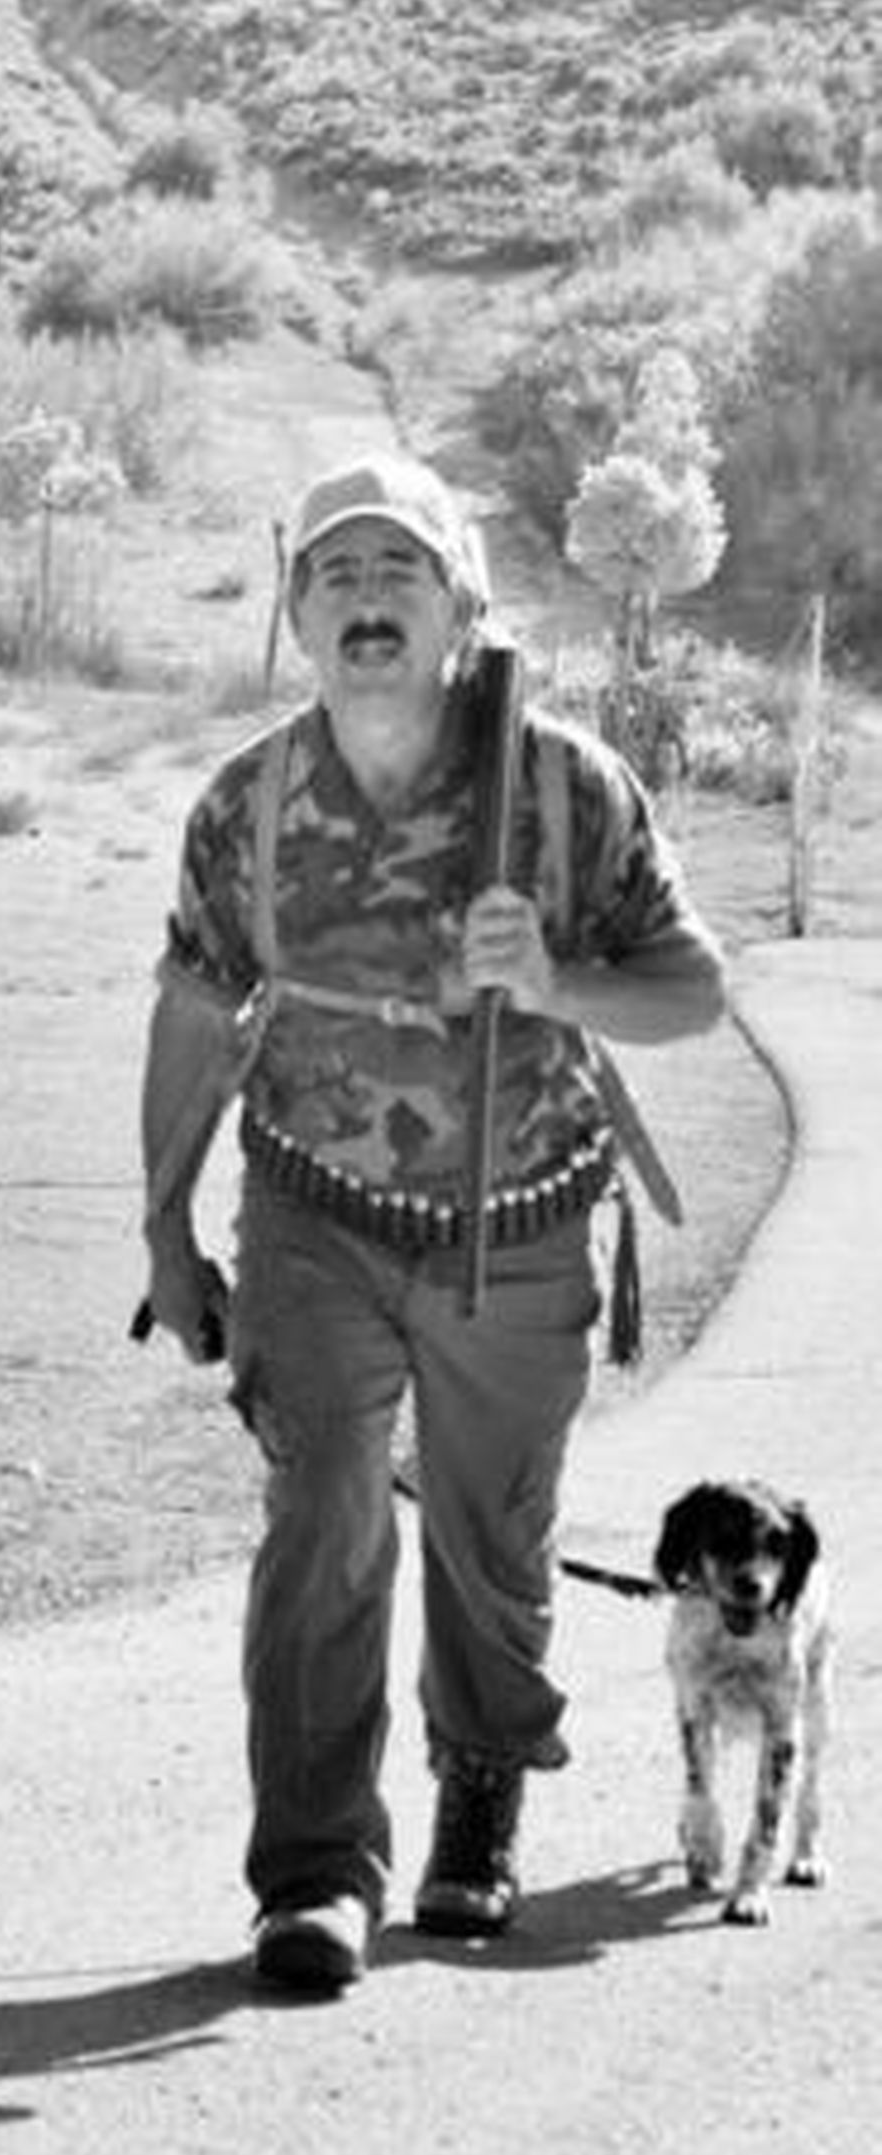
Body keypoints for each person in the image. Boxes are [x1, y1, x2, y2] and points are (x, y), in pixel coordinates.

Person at [137, 451, 726, 1994]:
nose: (365, 599)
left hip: (519, 1222)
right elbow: (197, 1015)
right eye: (334, 574)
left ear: (465, 607)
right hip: (312, 1215)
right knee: (322, 1521)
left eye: (400, 571)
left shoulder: (563, 786)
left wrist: (550, 984)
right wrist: (163, 1231)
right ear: (294, 618)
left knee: (489, 1535)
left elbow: (691, 991)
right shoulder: (246, 804)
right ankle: (316, 1870)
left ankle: (481, 1795)